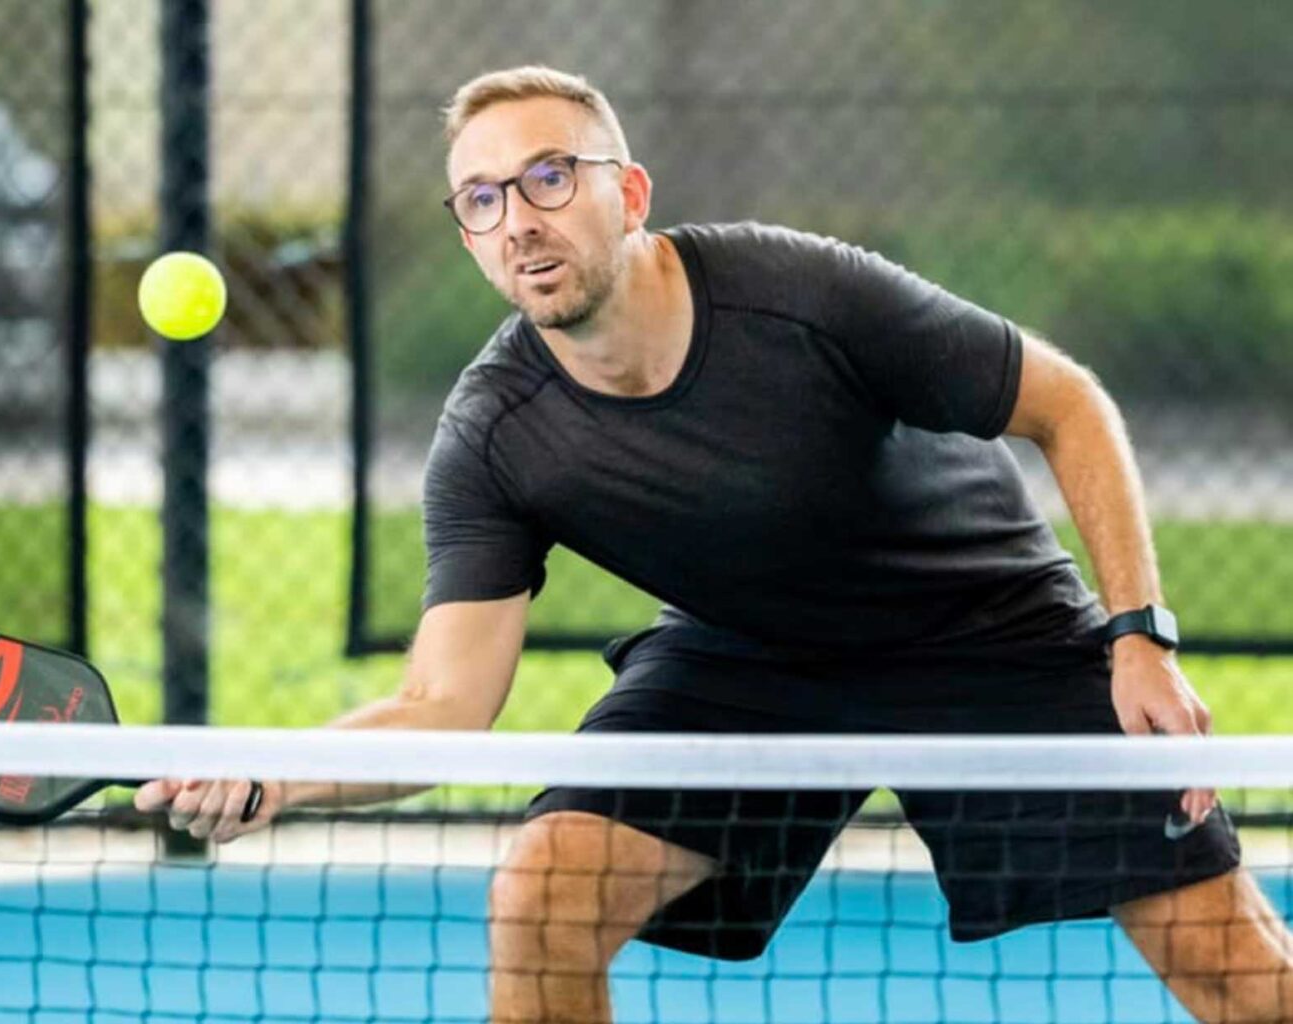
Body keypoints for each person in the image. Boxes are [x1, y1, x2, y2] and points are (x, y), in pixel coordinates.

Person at [137, 66, 1293, 1022]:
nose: (519, 219)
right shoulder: (495, 434)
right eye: (481, 199)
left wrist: (1137, 635)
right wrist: (273, 769)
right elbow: (441, 705)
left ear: (627, 191)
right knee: (541, 898)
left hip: (992, 629)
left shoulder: (803, 295)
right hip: (752, 659)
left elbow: (1068, 403)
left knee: (1238, 979)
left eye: (549, 177)